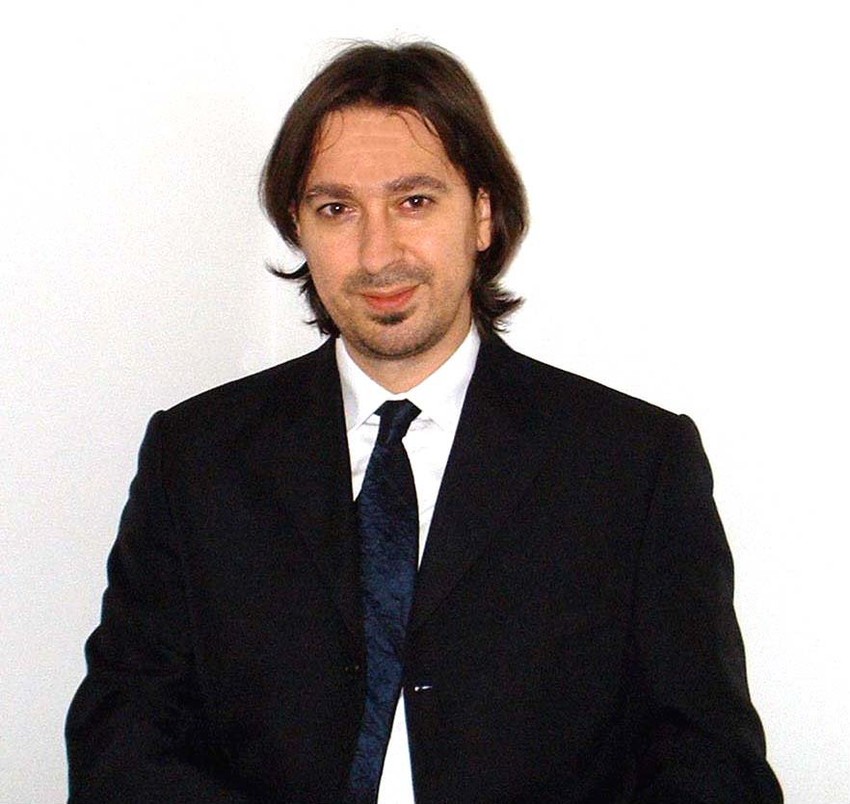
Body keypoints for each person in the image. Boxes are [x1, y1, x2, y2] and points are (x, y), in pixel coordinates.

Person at [66, 42, 782, 803]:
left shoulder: (631, 465)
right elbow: (122, 739)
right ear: (298, 227)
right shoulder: (196, 457)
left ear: (482, 215)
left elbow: (711, 766)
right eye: (337, 209)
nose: (378, 254)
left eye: (414, 201)